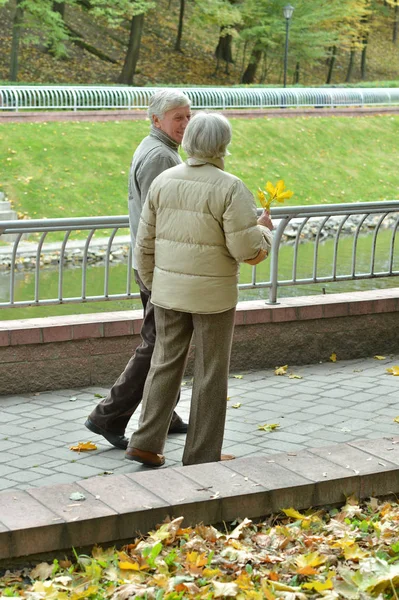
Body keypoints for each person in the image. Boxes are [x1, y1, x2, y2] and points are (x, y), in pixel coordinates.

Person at [125, 111, 273, 468]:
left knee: (164, 363)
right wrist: (265, 230)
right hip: (213, 299)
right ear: (223, 145)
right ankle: (201, 455)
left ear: (189, 140)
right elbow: (247, 250)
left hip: (168, 293)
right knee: (210, 373)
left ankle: (145, 441)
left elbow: (144, 244)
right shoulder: (231, 187)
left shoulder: (163, 181)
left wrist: (154, 284)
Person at [85, 90, 192, 450]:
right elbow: (162, 219)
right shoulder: (161, 156)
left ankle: (165, 411)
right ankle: (108, 416)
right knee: (159, 344)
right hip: (159, 267)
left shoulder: (154, 146)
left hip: (152, 264)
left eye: (188, 116)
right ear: (156, 120)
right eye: (178, 117)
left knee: (165, 342)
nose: (185, 124)